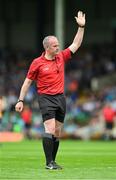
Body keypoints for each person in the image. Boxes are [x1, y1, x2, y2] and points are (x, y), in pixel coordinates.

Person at [15, 10, 86, 170]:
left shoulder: (61, 56)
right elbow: (27, 82)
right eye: (55, 46)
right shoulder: (37, 63)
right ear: (47, 48)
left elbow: (76, 44)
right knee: (50, 128)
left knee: (58, 131)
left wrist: (81, 28)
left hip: (60, 98)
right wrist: (20, 100)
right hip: (45, 98)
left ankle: (53, 161)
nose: (58, 47)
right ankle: (48, 163)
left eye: (58, 45)